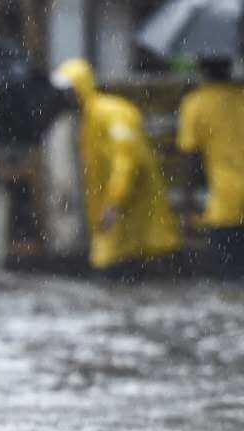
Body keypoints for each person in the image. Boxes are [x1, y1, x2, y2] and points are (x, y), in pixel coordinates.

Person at [52, 59, 182, 281]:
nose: (66, 97)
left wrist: (114, 202)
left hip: (129, 215)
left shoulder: (110, 113)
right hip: (115, 220)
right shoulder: (89, 118)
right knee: (119, 275)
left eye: (70, 90)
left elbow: (126, 160)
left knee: (116, 274)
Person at [177, 59, 244, 279]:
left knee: (226, 281)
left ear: (201, 67)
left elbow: (189, 159)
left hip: (224, 208)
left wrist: (187, 205)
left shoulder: (195, 104)